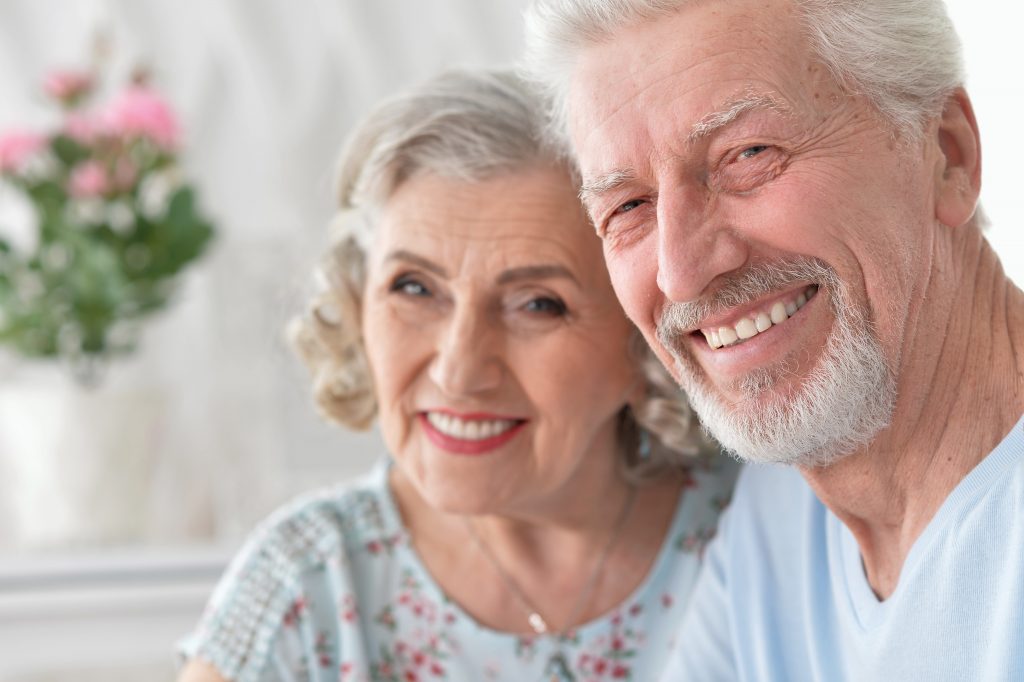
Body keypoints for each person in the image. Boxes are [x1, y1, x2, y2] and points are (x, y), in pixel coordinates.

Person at [176, 68, 738, 682]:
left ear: (642, 338)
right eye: (414, 288)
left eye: (537, 303)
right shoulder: (303, 588)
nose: (459, 371)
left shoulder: (760, 527)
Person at [523, 0, 1024, 679]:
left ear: (947, 153)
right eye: (629, 207)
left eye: (748, 155)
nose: (681, 271)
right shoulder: (777, 515)